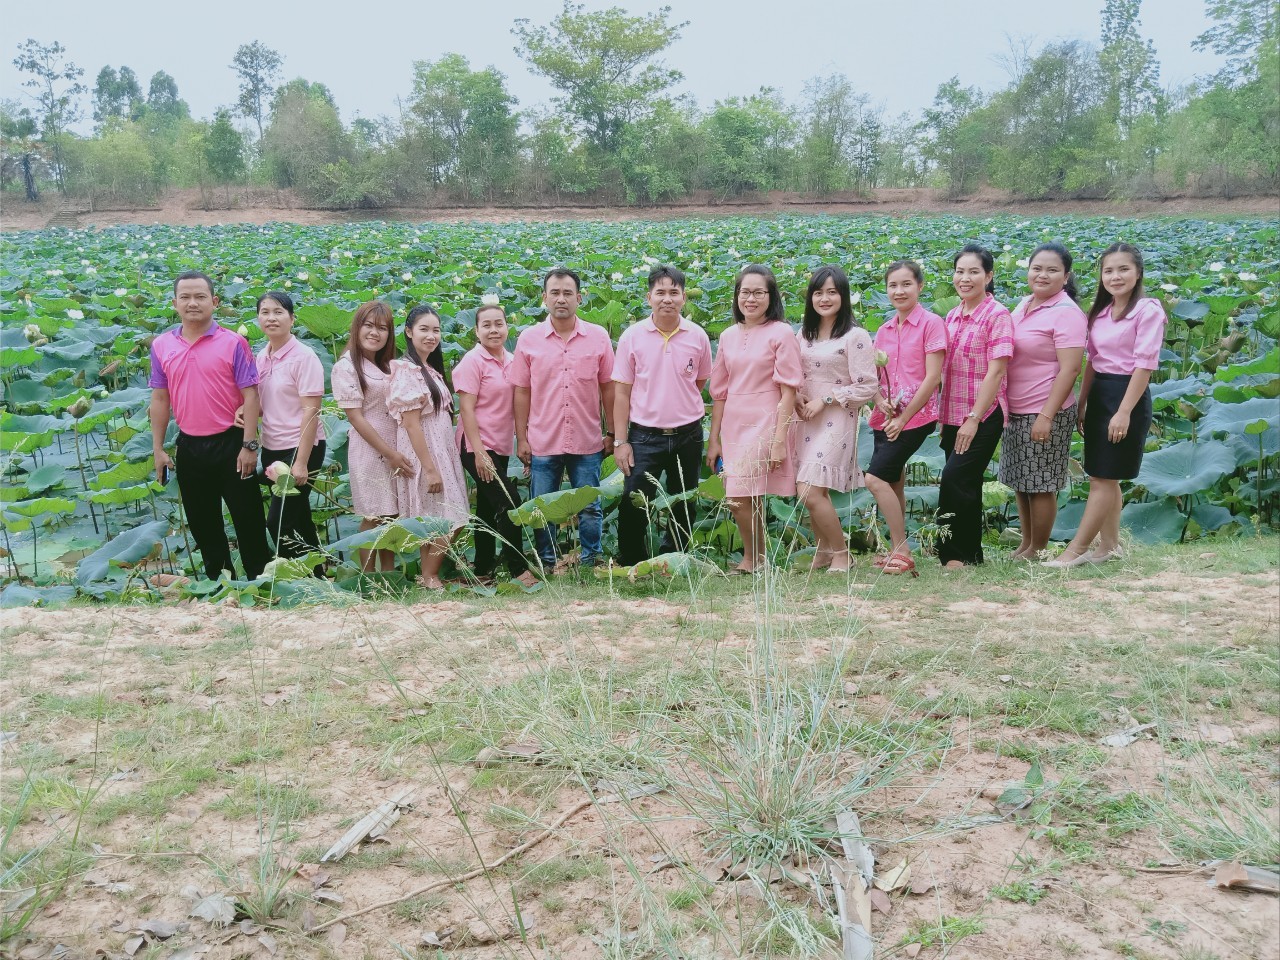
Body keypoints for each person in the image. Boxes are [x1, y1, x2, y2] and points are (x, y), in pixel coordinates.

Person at [1047, 243, 1166, 568]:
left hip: (1127, 395)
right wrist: (1082, 403)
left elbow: (1144, 366)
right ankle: (1110, 546)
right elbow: (1093, 362)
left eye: (1123, 269)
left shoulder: (1148, 311)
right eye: (1109, 270)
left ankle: (1076, 550)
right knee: (1103, 475)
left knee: (1102, 479)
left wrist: (1124, 412)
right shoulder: (1099, 313)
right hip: (1100, 394)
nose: (1115, 277)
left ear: (1138, 273)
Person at [149, 271, 270, 581]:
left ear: (214, 302)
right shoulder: (161, 345)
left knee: (249, 520)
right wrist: (158, 449)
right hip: (189, 445)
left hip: (232, 443)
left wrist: (249, 444)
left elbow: (251, 395)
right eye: (185, 297)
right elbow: (160, 399)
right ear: (174, 303)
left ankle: (260, 584)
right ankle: (219, 584)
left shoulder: (234, 342)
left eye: (200, 297)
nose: (193, 303)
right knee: (203, 524)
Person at [508, 268, 616, 571]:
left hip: (587, 439)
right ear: (544, 298)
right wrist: (522, 437)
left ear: (579, 298)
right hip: (543, 439)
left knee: (590, 507)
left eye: (568, 293)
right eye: (554, 293)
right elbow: (522, 391)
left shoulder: (598, 336)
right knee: (543, 507)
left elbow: (609, 388)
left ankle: (590, 561)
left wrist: (613, 432)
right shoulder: (529, 339)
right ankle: (547, 563)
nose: (561, 299)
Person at [612, 265, 713, 567]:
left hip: (688, 434)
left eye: (674, 292)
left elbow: (699, 382)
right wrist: (620, 441)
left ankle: (675, 560)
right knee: (634, 500)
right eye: (660, 293)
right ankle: (633, 561)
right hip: (644, 436)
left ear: (683, 297)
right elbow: (621, 393)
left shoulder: (698, 336)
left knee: (684, 501)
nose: (667, 299)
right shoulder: (632, 337)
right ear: (649, 297)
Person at [706, 264, 803, 575]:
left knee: (737, 495)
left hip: (766, 419)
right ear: (737, 296)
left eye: (759, 292)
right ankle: (758, 558)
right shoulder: (727, 335)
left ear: (771, 296)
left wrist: (779, 440)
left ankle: (752, 559)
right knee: (747, 495)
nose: (751, 299)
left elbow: (789, 390)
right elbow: (719, 393)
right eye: (745, 292)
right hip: (733, 422)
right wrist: (713, 439)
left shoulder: (782, 332)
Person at [999, 242, 1087, 560]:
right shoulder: (1024, 304)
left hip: (1045, 408)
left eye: (1052, 270)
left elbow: (1071, 369)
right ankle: (1026, 544)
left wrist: (1047, 415)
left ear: (1066, 276)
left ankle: (1037, 549)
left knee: (1040, 482)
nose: (1042, 275)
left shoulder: (1067, 313)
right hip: (1016, 407)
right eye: (1037, 268)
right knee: (1022, 481)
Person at [792, 265, 878, 573]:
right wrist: (797, 395)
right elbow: (794, 374)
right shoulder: (803, 335)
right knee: (816, 490)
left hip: (837, 417)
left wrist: (826, 399)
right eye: (818, 292)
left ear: (843, 296)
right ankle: (824, 550)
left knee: (809, 489)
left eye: (832, 292)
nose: (825, 298)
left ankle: (842, 553)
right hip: (804, 417)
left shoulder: (855, 336)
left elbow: (868, 386)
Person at [864, 260, 946, 576]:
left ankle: (902, 549)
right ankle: (898, 550)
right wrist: (880, 401)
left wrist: (903, 418)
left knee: (874, 479)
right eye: (893, 285)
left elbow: (933, 377)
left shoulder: (931, 324)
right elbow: (873, 377)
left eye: (906, 284)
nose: (899, 291)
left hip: (917, 416)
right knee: (893, 480)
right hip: (886, 416)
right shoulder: (884, 330)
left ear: (920, 286)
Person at [936, 246, 1013, 568]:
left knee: (955, 478)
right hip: (952, 411)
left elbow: (997, 372)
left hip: (984, 412)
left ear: (989, 276)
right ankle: (971, 555)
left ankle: (954, 555)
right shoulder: (952, 315)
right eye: (960, 272)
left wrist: (974, 418)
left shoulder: (997, 315)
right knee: (966, 483)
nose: (965, 278)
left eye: (973, 272)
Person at [454, 300, 538, 586]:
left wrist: (524, 441)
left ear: (507, 327)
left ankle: (481, 569)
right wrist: (479, 453)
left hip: (500, 444)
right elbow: (466, 409)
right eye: (486, 325)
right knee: (509, 501)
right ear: (476, 331)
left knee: (488, 508)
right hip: (475, 444)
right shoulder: (473, 361)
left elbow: (520, 405)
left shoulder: (513, 361)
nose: (493, 330)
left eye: (498, 324)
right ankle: (518, 569)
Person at [387, 305, 470, 589]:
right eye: (424, 329)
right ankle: (430, 576)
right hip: (426, 452)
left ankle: (427, 576)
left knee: (435, 515)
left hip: (440, 449)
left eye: (436, 330)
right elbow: (411, 424)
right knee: (452, 516)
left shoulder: (429, 369)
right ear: (409, 332)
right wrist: (430, 468)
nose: (431, 336)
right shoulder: (407, 371)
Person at [331, 301, 412, 573]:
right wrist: (389, 454)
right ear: (357, 327)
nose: (375, 333)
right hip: (370, 448)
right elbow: (355, 418)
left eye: (382, 328)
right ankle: (368, 577)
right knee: (374, 514)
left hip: (394, 445)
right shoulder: (346, 366)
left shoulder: (385, 365)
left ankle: (388, 574)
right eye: (369, 325)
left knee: (390, 514)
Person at [251, 291, 326, 565]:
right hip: (272, 447)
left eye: (278, 312)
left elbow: (311, 410)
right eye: (265, 312)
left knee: (279, 521)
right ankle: (317, 576)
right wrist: (242, 412)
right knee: (299, 516)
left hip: (301, 446)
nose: (271, 318)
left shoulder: (304, 357)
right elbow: (263, 405)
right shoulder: (261, 357)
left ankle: (293, 576)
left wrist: (301, 462)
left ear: (292, 319)